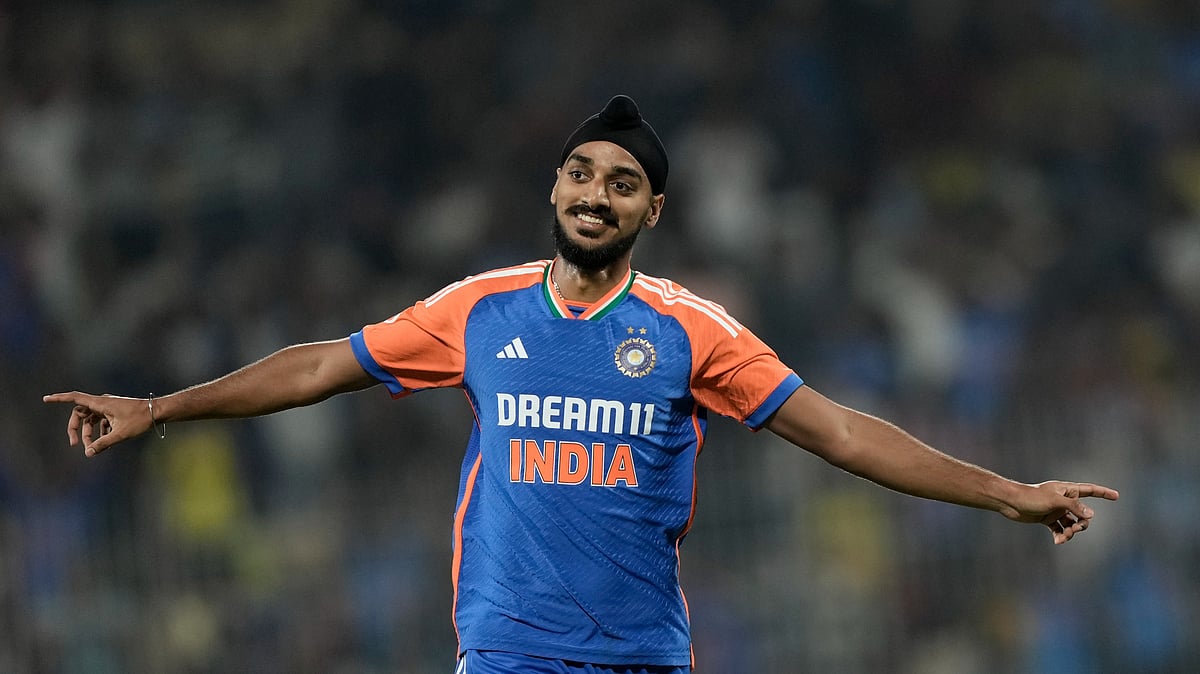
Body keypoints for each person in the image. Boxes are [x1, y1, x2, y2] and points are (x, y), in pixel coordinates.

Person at [44, 95, 1118, 673]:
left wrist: (1008, 493)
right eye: (581, 172)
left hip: (644, 655)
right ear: (554, 186)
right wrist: (162, 407)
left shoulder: (692, 331)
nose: (595, 193)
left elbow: (839, 432)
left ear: (654, 211)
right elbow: (325, 364)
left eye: (623, 182)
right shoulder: (479, 309)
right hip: (509, 650)